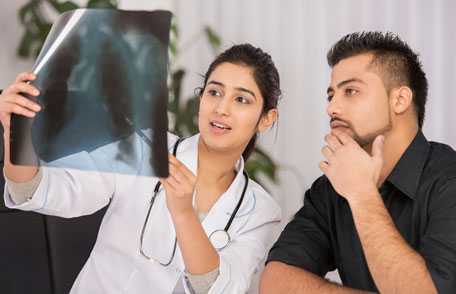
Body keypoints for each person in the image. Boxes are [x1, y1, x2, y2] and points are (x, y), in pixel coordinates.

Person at [1, 43, 282, 294]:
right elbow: (38, 190)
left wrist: (184, 212)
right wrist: (17, 136)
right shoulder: (142, 149)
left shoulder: (260, 211)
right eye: (214, 92)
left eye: (241, 99)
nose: (221, 108)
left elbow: (221, 289)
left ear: (266, 119)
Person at [260, 32, 456, 293]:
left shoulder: (449, 181)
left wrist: (363, 196)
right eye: (331, 95)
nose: (332, 108)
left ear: (399, 100)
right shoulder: (332, 188)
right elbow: (275, 282)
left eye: (351, 91)